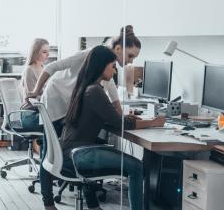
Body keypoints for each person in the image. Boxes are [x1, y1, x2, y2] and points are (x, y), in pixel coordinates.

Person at [32, 26, 143, 209]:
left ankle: (91, 203)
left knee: (81, 143)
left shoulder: (103, 71)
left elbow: (113, 94)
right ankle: (48, 203)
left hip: (73, 105)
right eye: (130, 56)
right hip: (55, 101)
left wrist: (120, 116)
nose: (130, 61)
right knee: (50, 153)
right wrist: (36, 91)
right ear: (117, 50)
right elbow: (52, 66)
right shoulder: (92, 56)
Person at [59, 45, 165, 210]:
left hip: (71, 151)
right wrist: (153, 122)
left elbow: (111, 118)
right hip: (79, 154)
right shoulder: (94, 91)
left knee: (135, 165)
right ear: (102, 66)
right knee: (137, 168)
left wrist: (129, 118)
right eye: (112, 66)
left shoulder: (87, 87)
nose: (114, 71)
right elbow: (120, 123)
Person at [20, 38, 50, 154]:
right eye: (44, 52)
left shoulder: (44, 69)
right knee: (55, 124)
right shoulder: (29, 70)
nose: (48, 55)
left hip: (40, 112)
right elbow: (33, 99)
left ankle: (50, 160)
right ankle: (46, 161)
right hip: (29, 114)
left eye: (48, 51)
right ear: (36, 52)